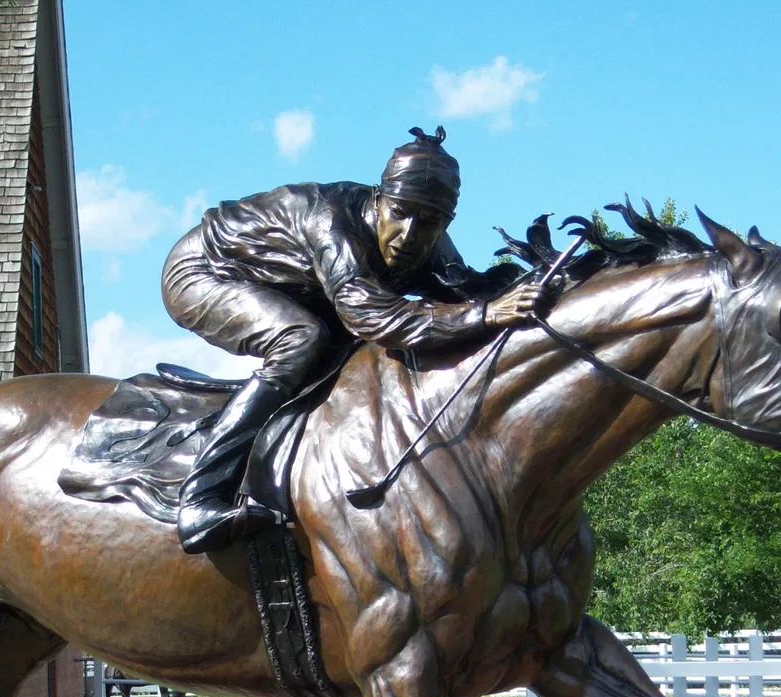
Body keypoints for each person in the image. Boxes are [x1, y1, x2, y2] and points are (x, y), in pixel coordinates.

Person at [161, 126, 543, 553]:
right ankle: (200, 501)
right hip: (204, 270)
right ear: (379, 200)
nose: (410, 232)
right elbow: (373, 316)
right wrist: (485, 314)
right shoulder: (331, 222)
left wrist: (539, 285)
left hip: (299, 286)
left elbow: (466, 289)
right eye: (400, 212)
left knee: (340, 348)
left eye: (430, 222)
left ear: (445, 222)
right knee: (301, 339)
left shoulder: (431, 241)